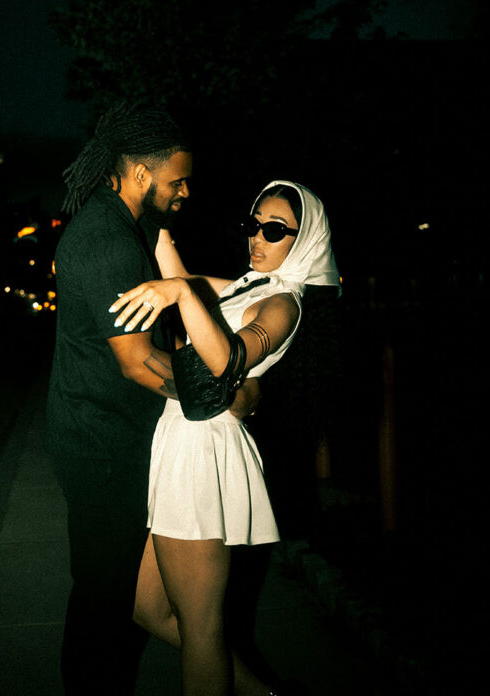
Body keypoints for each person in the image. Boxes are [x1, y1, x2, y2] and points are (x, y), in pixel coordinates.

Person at [44, 103, 260, 695]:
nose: (187, 189)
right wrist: (220, 396)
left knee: (124, 600)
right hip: (102, 444)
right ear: (142, 174)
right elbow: (138, 361)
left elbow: (184, 286)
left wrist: (260, 291)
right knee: (103, 600)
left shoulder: (132, 227)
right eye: (178, 179)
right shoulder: (106, 239)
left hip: (120, 436)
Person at [110, 180, 340, 696]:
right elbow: (175, 269)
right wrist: (143, 200)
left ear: (305, 242)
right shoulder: (247, 286)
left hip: (204, 452)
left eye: (275, 229)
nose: (257, 237)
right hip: (181, 441)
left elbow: (229, 361)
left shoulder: (285, 302)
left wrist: (184, 293)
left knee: (201, 629)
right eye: (252, 225)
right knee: (147, 609)